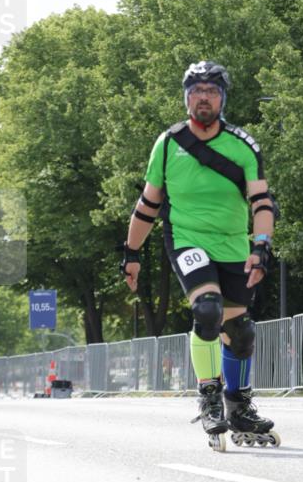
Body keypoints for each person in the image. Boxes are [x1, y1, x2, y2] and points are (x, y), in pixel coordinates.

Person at [120, 60, 280, 450]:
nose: (203, 97)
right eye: (196, 91)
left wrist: (261, 246)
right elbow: (148, 204)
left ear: (222, 98)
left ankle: (238, 406)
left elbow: (261, 202)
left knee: (239, 332)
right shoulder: (169, 143)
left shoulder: (243, 145)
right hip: (187, 239)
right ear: (186, 98)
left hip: (232, 244)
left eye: (211, 91)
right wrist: (131, 253)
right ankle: (209, 396)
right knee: (207, 309)